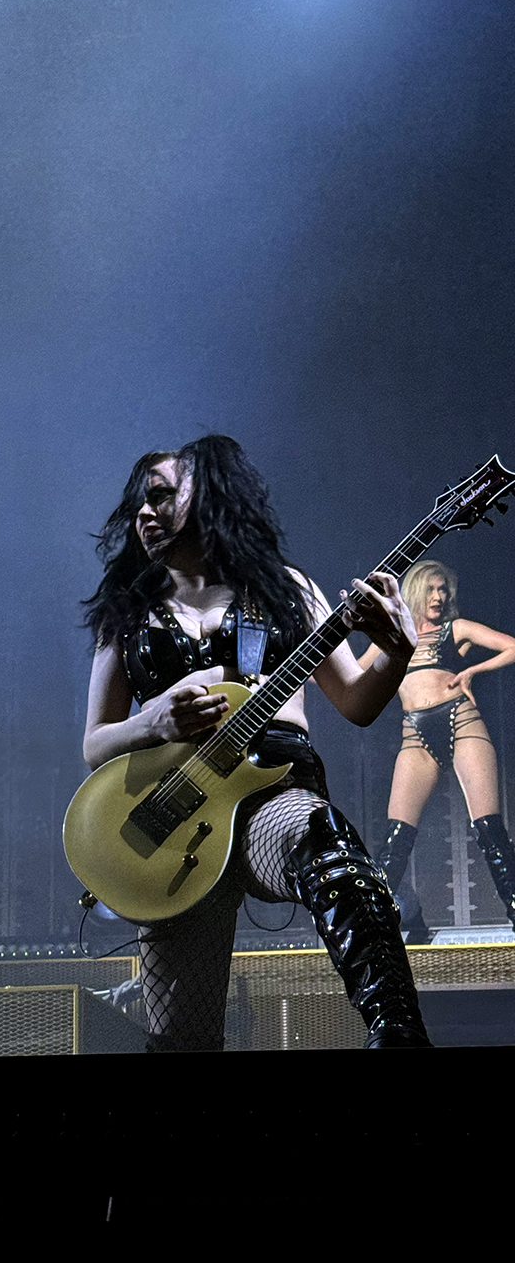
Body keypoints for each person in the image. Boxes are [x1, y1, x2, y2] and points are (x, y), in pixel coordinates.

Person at [82, 435, 430, 1050]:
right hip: (174, 822)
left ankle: (399, 1034)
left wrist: (398, 652)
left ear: (209, 494)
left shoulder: (285, 590)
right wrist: (154, 722)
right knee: (181, 1040)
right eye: (138, 503)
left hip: (272, 796)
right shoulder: (127, 614)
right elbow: (95, 743)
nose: (144, 513)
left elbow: (357, 701)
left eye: (160, 496)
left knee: (329, 849)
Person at [366, 560, 515, 941]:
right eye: (431, 589)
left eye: (443, 590)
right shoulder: (393, 636)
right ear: (415, 592)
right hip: (414, 736)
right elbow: (349, 672)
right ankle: (378, 928)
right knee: (396, 839)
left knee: (489, 829)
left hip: (461, 722)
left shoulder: (456, 629)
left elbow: (512, 647)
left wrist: (473, 672)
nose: (439, 596)